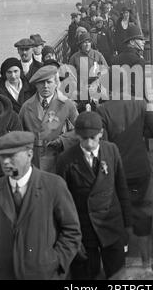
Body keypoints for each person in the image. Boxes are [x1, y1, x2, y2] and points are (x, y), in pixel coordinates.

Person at [0, 131, 81, 280]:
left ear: (30, 154)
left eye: (11, 156)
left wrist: (55, 262)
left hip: (45, 275)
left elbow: (72, 231)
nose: (6, 162)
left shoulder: (54, 185)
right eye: (2, 156)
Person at [56, 111, 131, 279]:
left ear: (101, 133)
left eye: (93, 137)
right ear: (77, 135)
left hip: (111, 225)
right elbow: (61, 204)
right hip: (84, 230)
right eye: (83, 138)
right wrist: (69, 238)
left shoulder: (111, 150)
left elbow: (122, 189)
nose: (89, 143)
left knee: (117, 275)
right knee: (86, 275)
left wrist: (126, 228)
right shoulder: (65, 160)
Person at [96, 97, 153, 277]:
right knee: (143, 215)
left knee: (118, 217)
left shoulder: (103, 109)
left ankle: (121, 267)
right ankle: (146, 265)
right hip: (140, 170)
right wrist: (139, 132)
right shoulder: (140, 104)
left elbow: (102, 144)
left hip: (118, 172)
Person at [19, 65, 78, 173]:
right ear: (36, 85)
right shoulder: (26, 107)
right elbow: (18, 134)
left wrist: (62, 140)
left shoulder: (67, 105)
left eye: (49, 82)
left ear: (56, 84)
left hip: (59, 158)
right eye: (41, 82)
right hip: (33, 160)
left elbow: (80, 131)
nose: (45, 86)